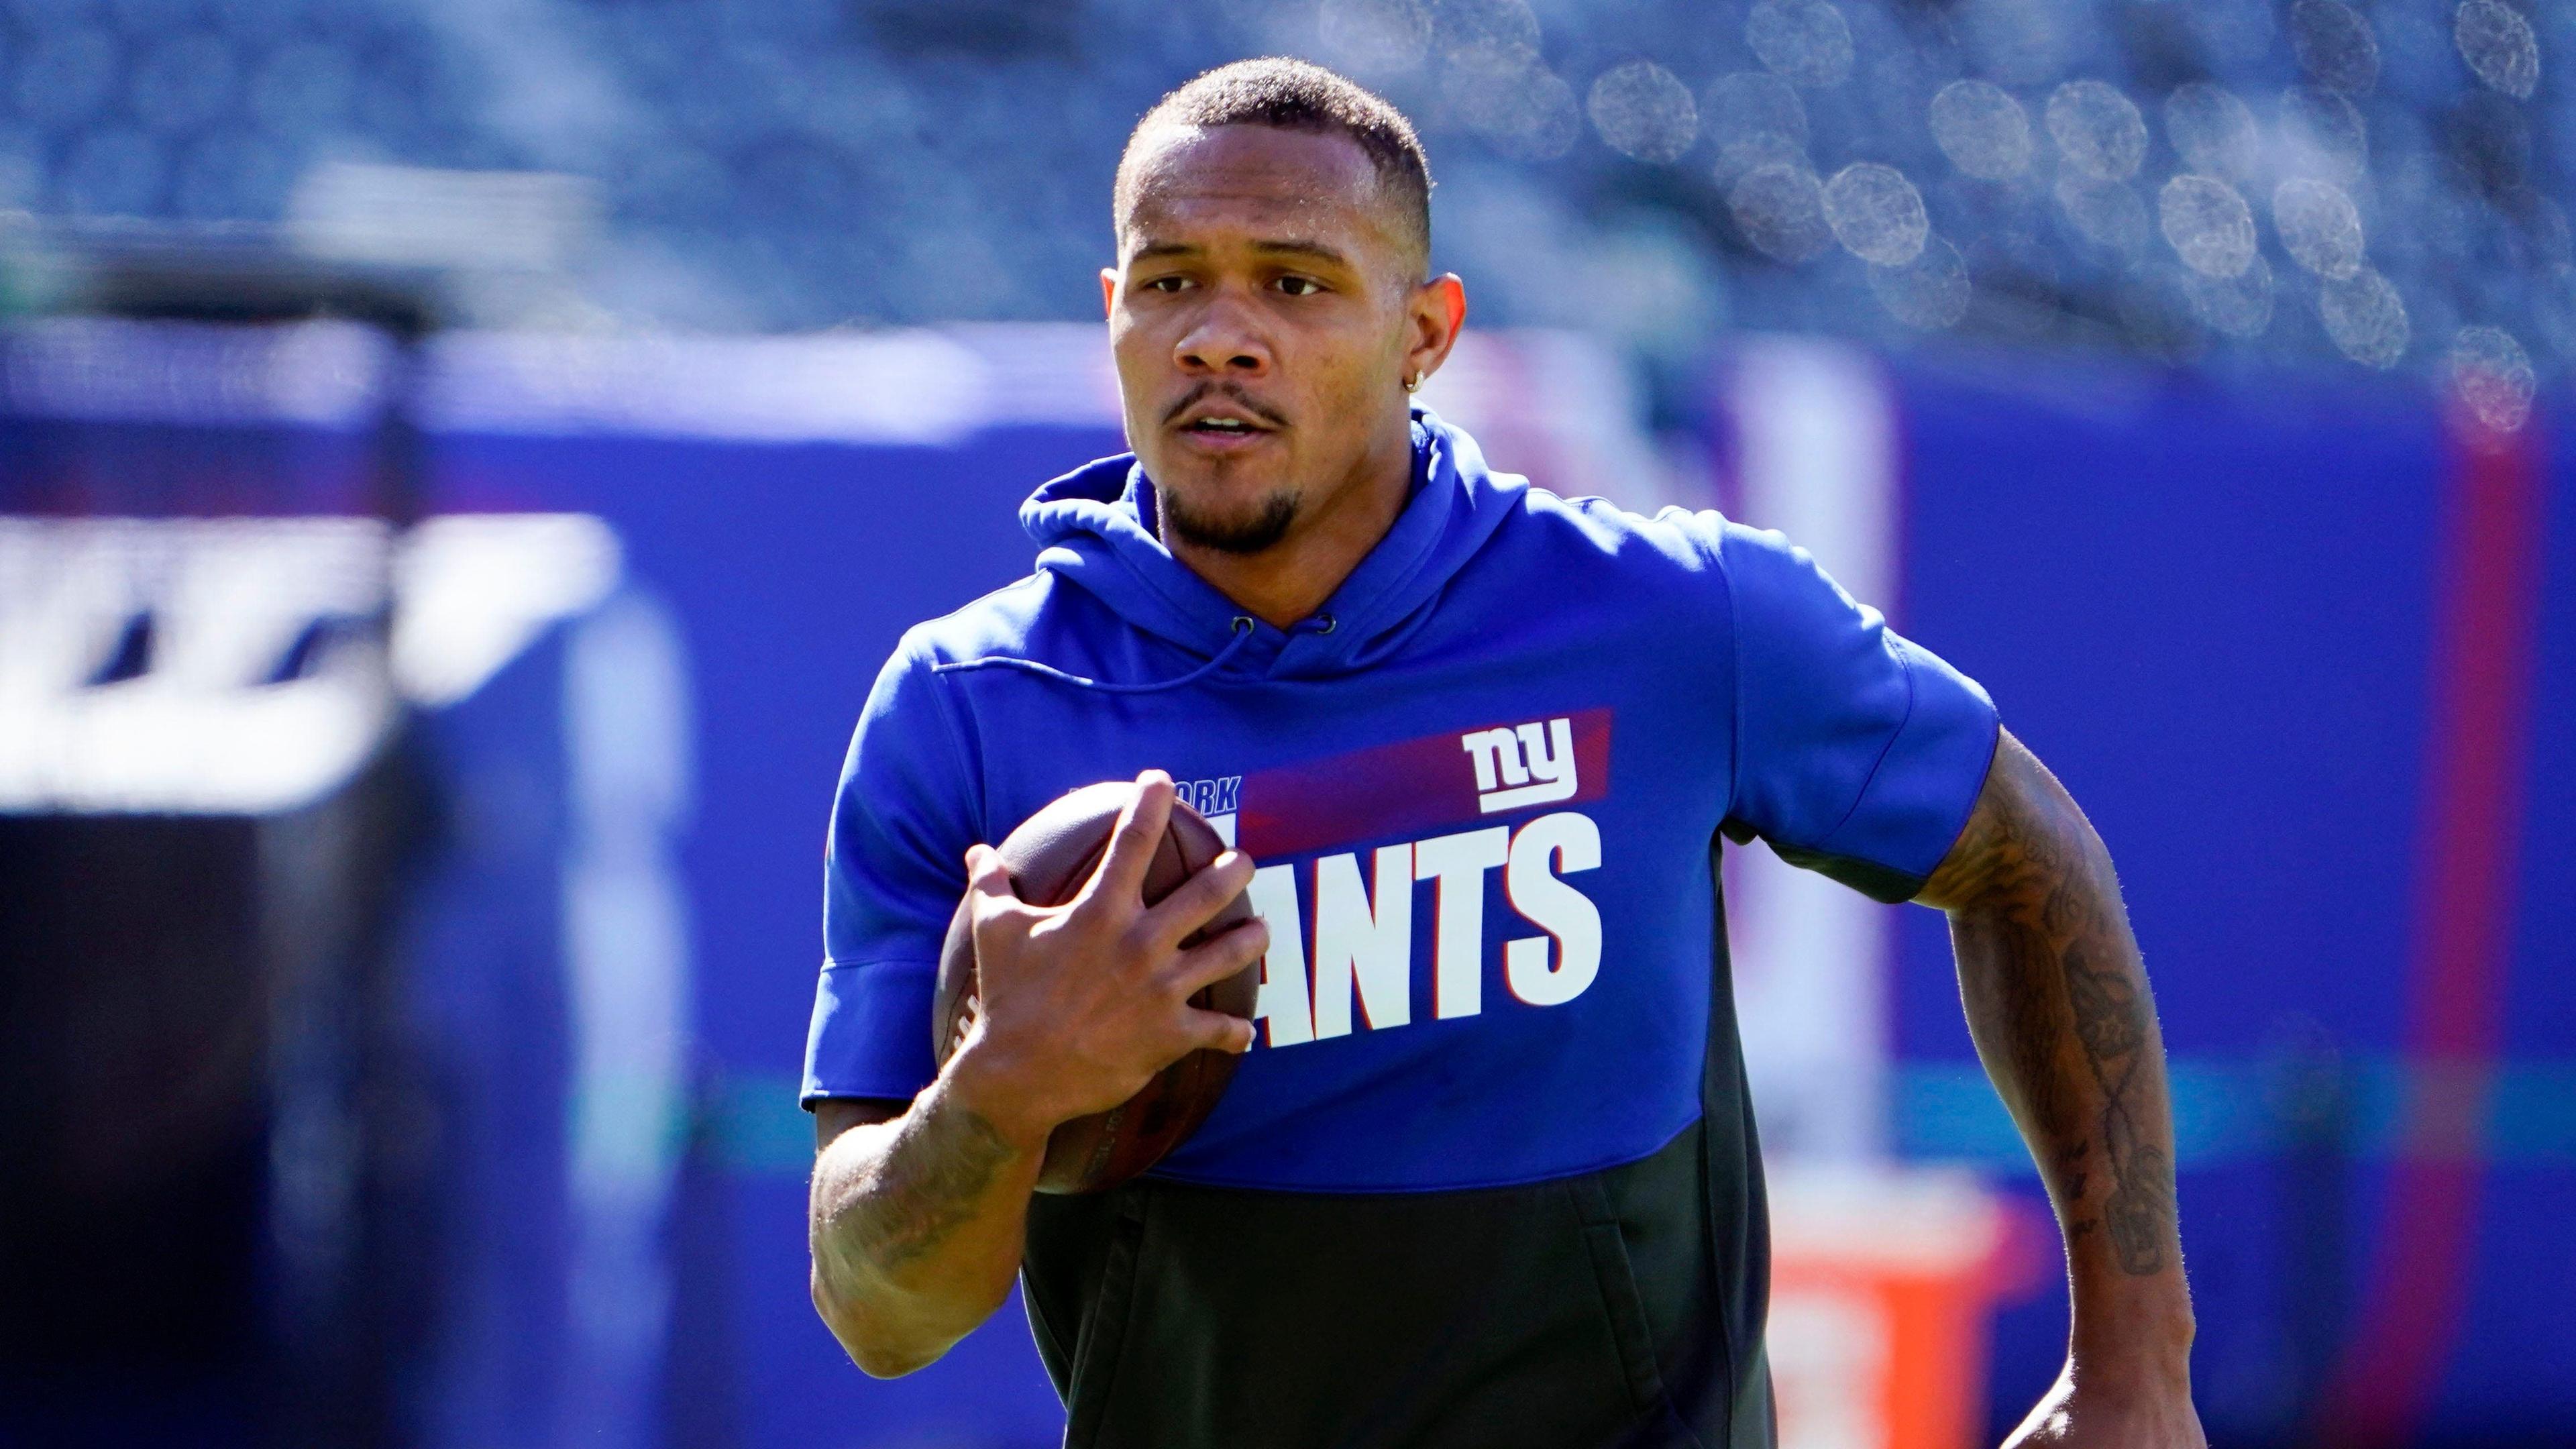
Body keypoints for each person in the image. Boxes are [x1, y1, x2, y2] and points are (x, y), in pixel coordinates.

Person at [803, 57, 2204, 1449]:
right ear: (1112, 317)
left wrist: (2134, 1368)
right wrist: (999, 1095)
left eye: (1295, 283)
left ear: (1426, 333)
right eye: (1170, 280)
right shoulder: (970, 706)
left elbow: (2029, 861)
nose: (1219, 336)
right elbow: (882, 1315)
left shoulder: (1677, 620)